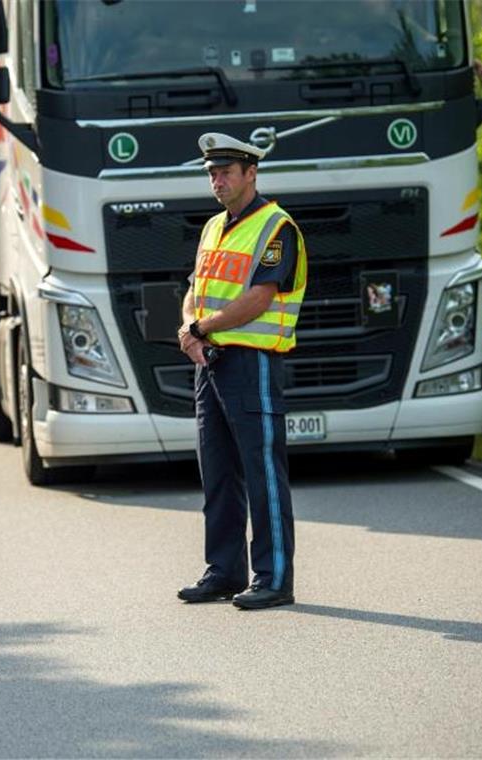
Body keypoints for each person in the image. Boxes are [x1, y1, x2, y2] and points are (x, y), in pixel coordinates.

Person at [176, 132, 308, 611]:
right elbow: (195, 288)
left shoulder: (277, 227)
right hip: (209, 362)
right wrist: (191, 329)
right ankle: (224, 571)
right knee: (218, 473)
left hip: (251, 362)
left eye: (226, 172)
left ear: (251, 172)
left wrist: (201, 327)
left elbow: (260, 298)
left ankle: (273, 577)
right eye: (212, 172)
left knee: (262, 472)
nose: (217, 180)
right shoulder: (214, 226)